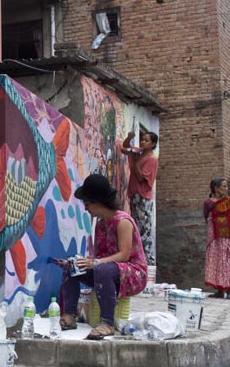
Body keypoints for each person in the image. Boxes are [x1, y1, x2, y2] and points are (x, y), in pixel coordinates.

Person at [55, 173, 148, 340]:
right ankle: (69, 316)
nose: (85, 208)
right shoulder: (100, 224)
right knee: (71, 267)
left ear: (99, 202)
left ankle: (107, 322)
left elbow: (124, 255)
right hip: (108, 268)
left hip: (133, 273)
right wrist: (80, 261)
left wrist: (95, 262)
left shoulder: (122, 222)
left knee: (102, 269)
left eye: (88, 203)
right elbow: (98, 255)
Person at [122, 130, 159, 266]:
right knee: (137, 226)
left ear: (153, 144)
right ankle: (139, 258)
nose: (143, 142)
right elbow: (124, 147)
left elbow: (141, 177)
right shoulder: (138, 152)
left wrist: (136, 163)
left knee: (144, 229)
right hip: (134, 195)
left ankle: (146, 261)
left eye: (147, 140)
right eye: (142, 139)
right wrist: (129, 137)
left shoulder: (151, 159)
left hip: (143, 197)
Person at [203, 178, 230, 299]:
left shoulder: (229, 201)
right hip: (215, 237)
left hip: (228, 237)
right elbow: (207, 218)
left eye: (226, 187)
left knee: (229, 261)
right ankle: (220, 291)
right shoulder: (208, 203)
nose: (226, 189)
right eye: (224, 186)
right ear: (216, 188)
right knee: (217, 262)